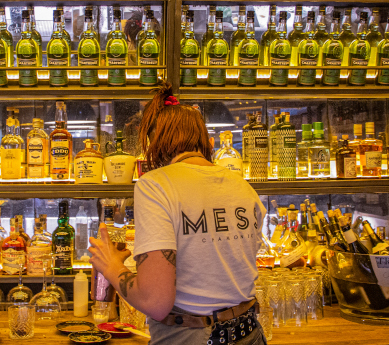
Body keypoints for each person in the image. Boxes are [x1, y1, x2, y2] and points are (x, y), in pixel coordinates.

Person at [88, 81, 267, 344]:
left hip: (191, 336)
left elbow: (156, 301)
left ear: (153, 142)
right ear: (207, 141)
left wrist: (112, 266)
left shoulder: (156, 184)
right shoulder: (242, 186)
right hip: (250, 332)